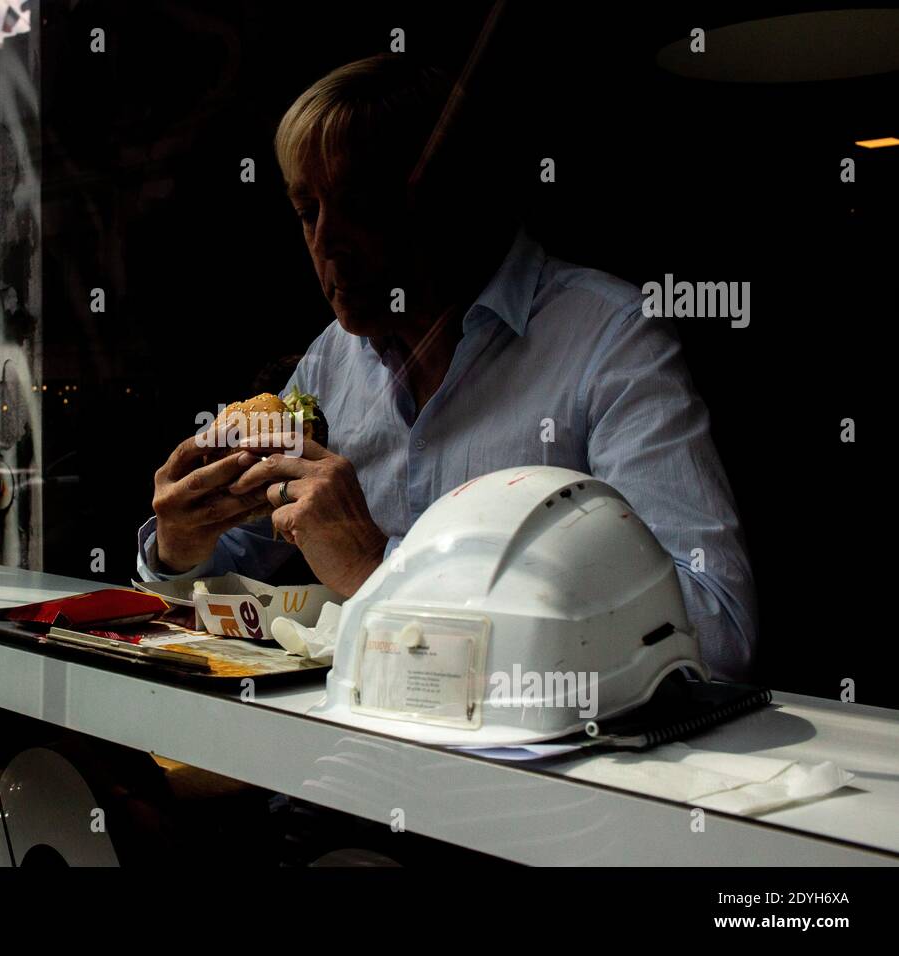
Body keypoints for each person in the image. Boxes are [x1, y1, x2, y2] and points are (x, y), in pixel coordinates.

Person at [136, 54, 756, 681]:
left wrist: (382, 570)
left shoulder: (607, 343)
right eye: (307, 211)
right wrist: (180, 546)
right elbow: (239, 559)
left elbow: (713, 629)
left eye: (357, 203)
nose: (327, 242)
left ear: (445, 196)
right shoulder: (330, 362)